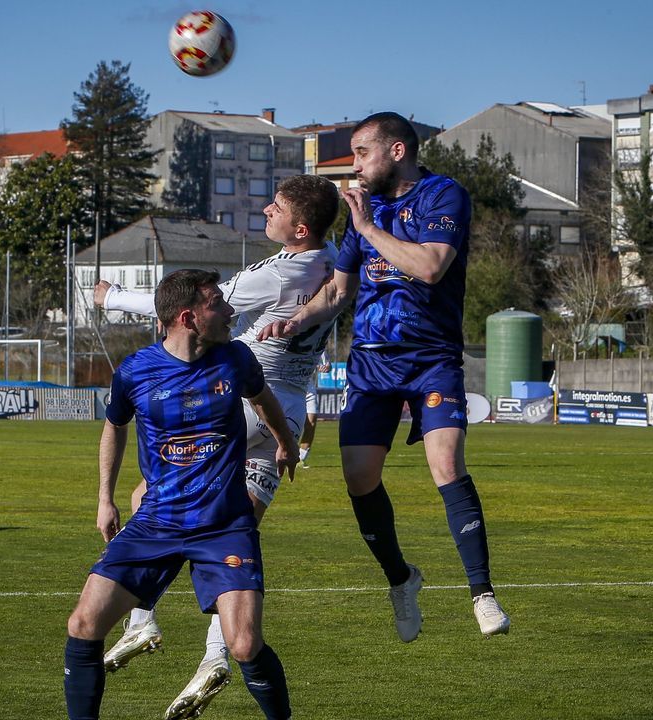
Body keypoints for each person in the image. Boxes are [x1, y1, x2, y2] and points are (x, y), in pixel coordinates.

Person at [92, 174, 339, 719]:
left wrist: (114, 298)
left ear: (299, 228)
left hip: (241, 401)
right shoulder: (334, 261)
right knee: (233, 533)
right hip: (287, 412)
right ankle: (213, 655)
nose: (265, 212)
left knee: (157, 505)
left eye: (274, 208)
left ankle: (141, 621)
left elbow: (196, 306)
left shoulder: (282, 274)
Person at [260, 112, 511, 642]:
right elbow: (337, 291)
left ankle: (482, 593)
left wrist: (370, 226)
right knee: (359, 479)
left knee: (446, 464)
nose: (354, 165)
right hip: (372, 362)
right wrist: (295, 320)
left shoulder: (443, 196)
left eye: (360, 153)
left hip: (431, 357)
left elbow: (431, 267)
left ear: (396, 151)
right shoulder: (361, 214)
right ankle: (402, 579)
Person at [64, 269, 298, 720]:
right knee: (84, 624)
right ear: (189, 317)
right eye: (218, 304)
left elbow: (265, 399)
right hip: (157, 523)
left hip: (225, 526)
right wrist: (105, 498)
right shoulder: (134, 371)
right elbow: (114, 428)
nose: (230, 312)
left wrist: (286, 443)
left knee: (245, 644)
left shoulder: (236, 359)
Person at [297, 352, 330, 469]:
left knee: (311, 422)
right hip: (290, 384)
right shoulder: (291, 338)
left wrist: (326, 367)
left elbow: (327, 364)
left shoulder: (319, 341)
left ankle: (300, 459)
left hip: (309, 387)